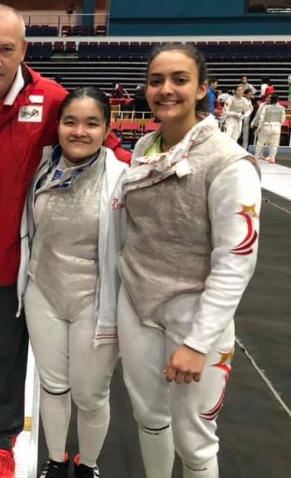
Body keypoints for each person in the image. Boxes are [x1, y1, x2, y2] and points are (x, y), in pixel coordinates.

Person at [0, 4, 131, 478]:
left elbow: (99, 140)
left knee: (8, 358)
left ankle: (2, 440)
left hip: (11, 263)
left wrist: (140, 169)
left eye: (6, 50)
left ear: (23, 50)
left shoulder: (50, 98)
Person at [116, 44, 261, 478]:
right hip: (138, 304)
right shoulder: (145, 146)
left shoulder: (228, 162)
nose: (166, 89)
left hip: (195, 314)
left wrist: (198, 342)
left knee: (195, 440)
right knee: (149, 418)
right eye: (157, 80)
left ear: (202, 89)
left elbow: (236, 260)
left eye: (179, 80)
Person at [18, 88, 127, 478]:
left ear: (107, 128)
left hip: (95, 299)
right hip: (43, 291)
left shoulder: (121, 177)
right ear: (58, 126)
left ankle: (89, 465)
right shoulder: (42, 167)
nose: (79, 131)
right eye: (70, 121)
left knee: (90, 394)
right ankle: (57, 458)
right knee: (53, 385)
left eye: (91, 123)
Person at [252, 92, 285, 163]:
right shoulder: (281, 108)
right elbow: (283, 119)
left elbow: (261, 118)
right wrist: (278, 125)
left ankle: (256, 156)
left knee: (260, 143)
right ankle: (272, 158)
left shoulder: (266, 107)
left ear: (271, 99)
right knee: (274, 144)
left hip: (266, 126)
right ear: (277, 100)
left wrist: (259, 127)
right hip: (276, 127)